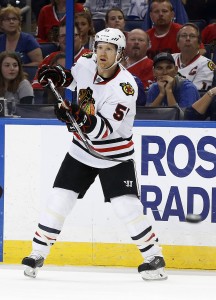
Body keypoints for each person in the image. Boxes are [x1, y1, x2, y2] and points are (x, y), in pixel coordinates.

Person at [21, 28, 167, 281]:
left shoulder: (125, 88)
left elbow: (104, 130)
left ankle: (154, 256)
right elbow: (75, 80)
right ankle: (37, 253)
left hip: (113, 155)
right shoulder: (87, 62)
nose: (102, 52)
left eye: (109, 49)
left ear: (120, 54)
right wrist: (59, 76)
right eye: (100, 46)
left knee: (126, 207)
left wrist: (76, 116)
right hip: (81, 150)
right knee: (59, 200)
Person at [32, 22, 91, 89]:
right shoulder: (50, 58)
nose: (68, 39)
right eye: (63, 36)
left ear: (80, 37)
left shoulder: (92, 58)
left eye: (72, 35)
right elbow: (37, 84)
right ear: (59, 39)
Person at [146, 52, 200, 117]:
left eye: (169, 67)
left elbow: (184, 119)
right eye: (159, 68)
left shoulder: (188, 88)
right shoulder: (154, 88)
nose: (164, 72)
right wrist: (161, 94)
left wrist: (169, 91)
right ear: (154, 72)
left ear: (176, 70)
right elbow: (147, 116)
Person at [172, 23, 215, 91]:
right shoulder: (170, 59)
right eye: (184, 36)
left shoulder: (206, 64)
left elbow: (195, 93)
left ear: (199, 44)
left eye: (192, 36)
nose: (188, 39)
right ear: (178, 43)